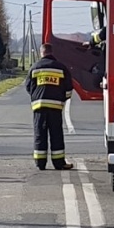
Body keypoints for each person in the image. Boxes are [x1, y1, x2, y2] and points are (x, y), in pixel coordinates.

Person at [25, 43, 74, 171]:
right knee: (56, 135)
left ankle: (40, 163)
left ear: (41, 53)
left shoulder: (34, 68)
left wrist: (37, 97)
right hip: (55, 107)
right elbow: (69, 89)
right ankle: (59, 163)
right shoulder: (61, 68)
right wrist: (62, 99)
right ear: (52, 53)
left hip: (39, 107)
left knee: (39, 134)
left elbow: (28, 87)